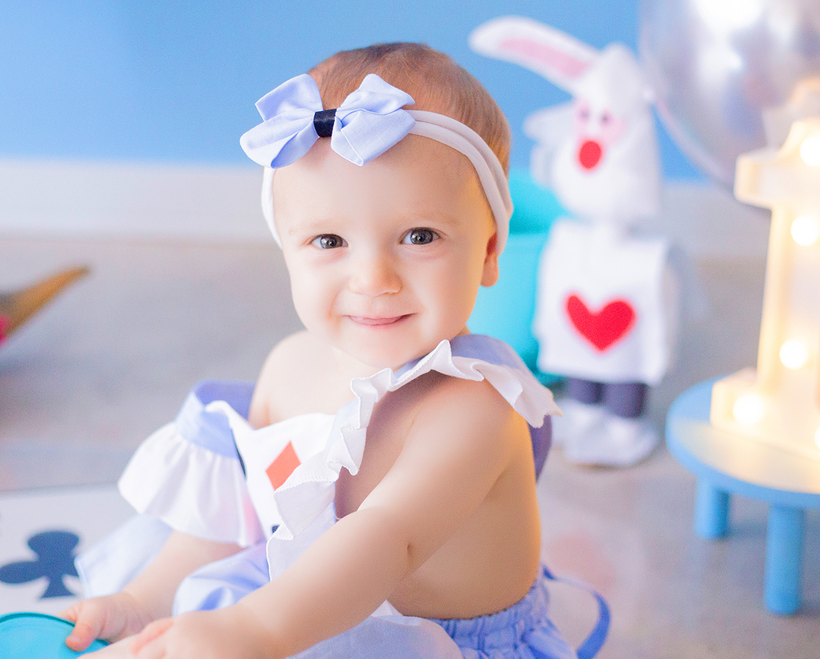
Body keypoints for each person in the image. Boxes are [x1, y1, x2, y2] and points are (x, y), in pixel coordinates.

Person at [62, 43, 585, 658]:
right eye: (329, 239)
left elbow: (386, 540)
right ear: (287, 248)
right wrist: (142, 602)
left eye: (420, 236)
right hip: (307, 608)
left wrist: (253, 631)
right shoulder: (289, 366)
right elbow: (241, 522)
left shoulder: (476, 410)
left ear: (491, 250)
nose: (373, 277)